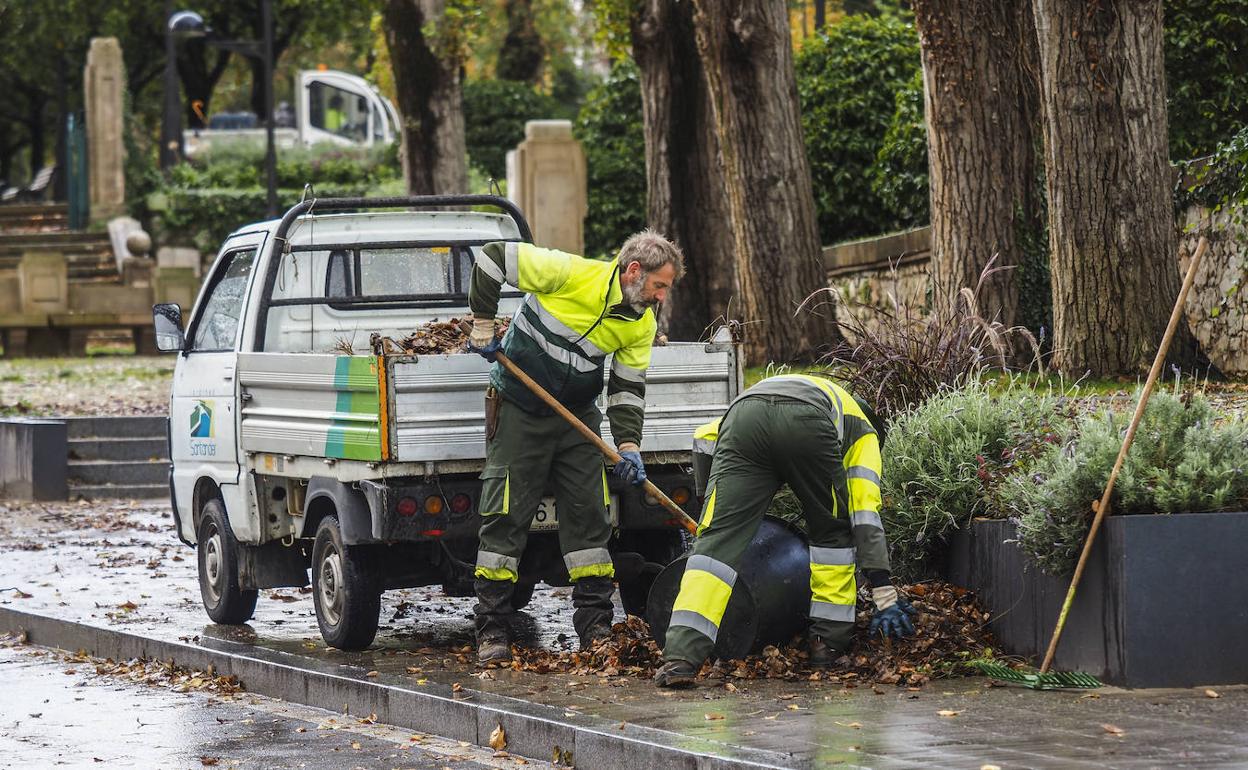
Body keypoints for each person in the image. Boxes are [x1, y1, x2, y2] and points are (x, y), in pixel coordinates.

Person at [466, 230, 685, 664]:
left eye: (666, 289)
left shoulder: (641, 324)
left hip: (577, 418)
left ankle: (595, 629)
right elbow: (492, 258)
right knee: (505, 514)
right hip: (520, 408)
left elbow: (626, 388)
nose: (661, 297)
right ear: (634, 271)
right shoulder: (568, 274)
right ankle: (491, 628)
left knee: (590, 516)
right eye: (659, 285)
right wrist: (483, 323)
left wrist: (628, 445)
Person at [654, 374, 916, 687]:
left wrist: (710, 505)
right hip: (808, 423)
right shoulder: (864, 435)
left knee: (714, 546)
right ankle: (827, 646)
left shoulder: (817, 391)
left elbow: (705, 438)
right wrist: (884, 592)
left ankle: (680, 657)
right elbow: (864, 515)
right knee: (832, 534)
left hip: (743, 416)